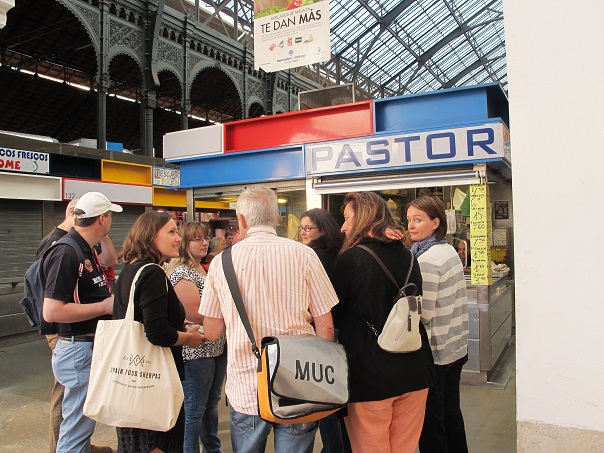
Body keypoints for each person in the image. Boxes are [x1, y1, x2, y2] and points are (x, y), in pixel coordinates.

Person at [199, 186, 339, 453]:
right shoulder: (304, 255)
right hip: (298, 382)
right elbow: (326, 325)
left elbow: (213, 331)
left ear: (241, 220)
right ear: (277, 218)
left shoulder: (221, 262)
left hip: (246, 386)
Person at [330, 192, 434, 453]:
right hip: (415, 369)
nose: (343, 227)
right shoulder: (410, 256)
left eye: (347, 218)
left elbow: (334, 315)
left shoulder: (351, 259)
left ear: (363, 217)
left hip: (369, 374)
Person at [113, 211, 205, 453]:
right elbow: (155, 333)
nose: (178, 238)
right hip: (152, 382)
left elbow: (142, 319)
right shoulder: (152, 272)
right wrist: (188, 338)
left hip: (133, 379)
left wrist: (178, 326)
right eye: (172, 232)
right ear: (151, 236)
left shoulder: (132, 269)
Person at [42, 192, 122, 453]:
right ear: (102, 219)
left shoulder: (84, 248)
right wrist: (104, 306)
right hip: (77, 350)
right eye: (110, 216)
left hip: (85, 349)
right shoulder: (67, 252)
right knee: (75, 431)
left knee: (80, 426)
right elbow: (51, 311)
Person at [406, 195, 470, 453]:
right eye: (409, 219)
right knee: (451, 414)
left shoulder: (428, 260)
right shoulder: (448, 250)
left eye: (418, 220)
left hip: (437, 355)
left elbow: (424, 313)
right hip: (456, 348)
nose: (411, 225)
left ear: (436, 222)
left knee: (433, 425)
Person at [166, 222, 227, 453]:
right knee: (194, 410)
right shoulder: (182, 272)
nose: (204, 243)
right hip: (196, 350)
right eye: (197, 239)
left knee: (211, 405)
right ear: (185, 243)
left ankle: (213, 449)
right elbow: (195, 314)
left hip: (215, 346)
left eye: (205, 238)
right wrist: (226, 310)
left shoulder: (203, 269)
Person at [298, 209, 350, 453]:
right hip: (338, 330)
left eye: (309, 228)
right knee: (332, 394)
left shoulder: (316, 256)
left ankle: (333, 448)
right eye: (301, 227)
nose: (303, 232)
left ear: (323, 230)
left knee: (322, 396)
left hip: (324, 333)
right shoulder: (338, 252)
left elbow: (317, 302)